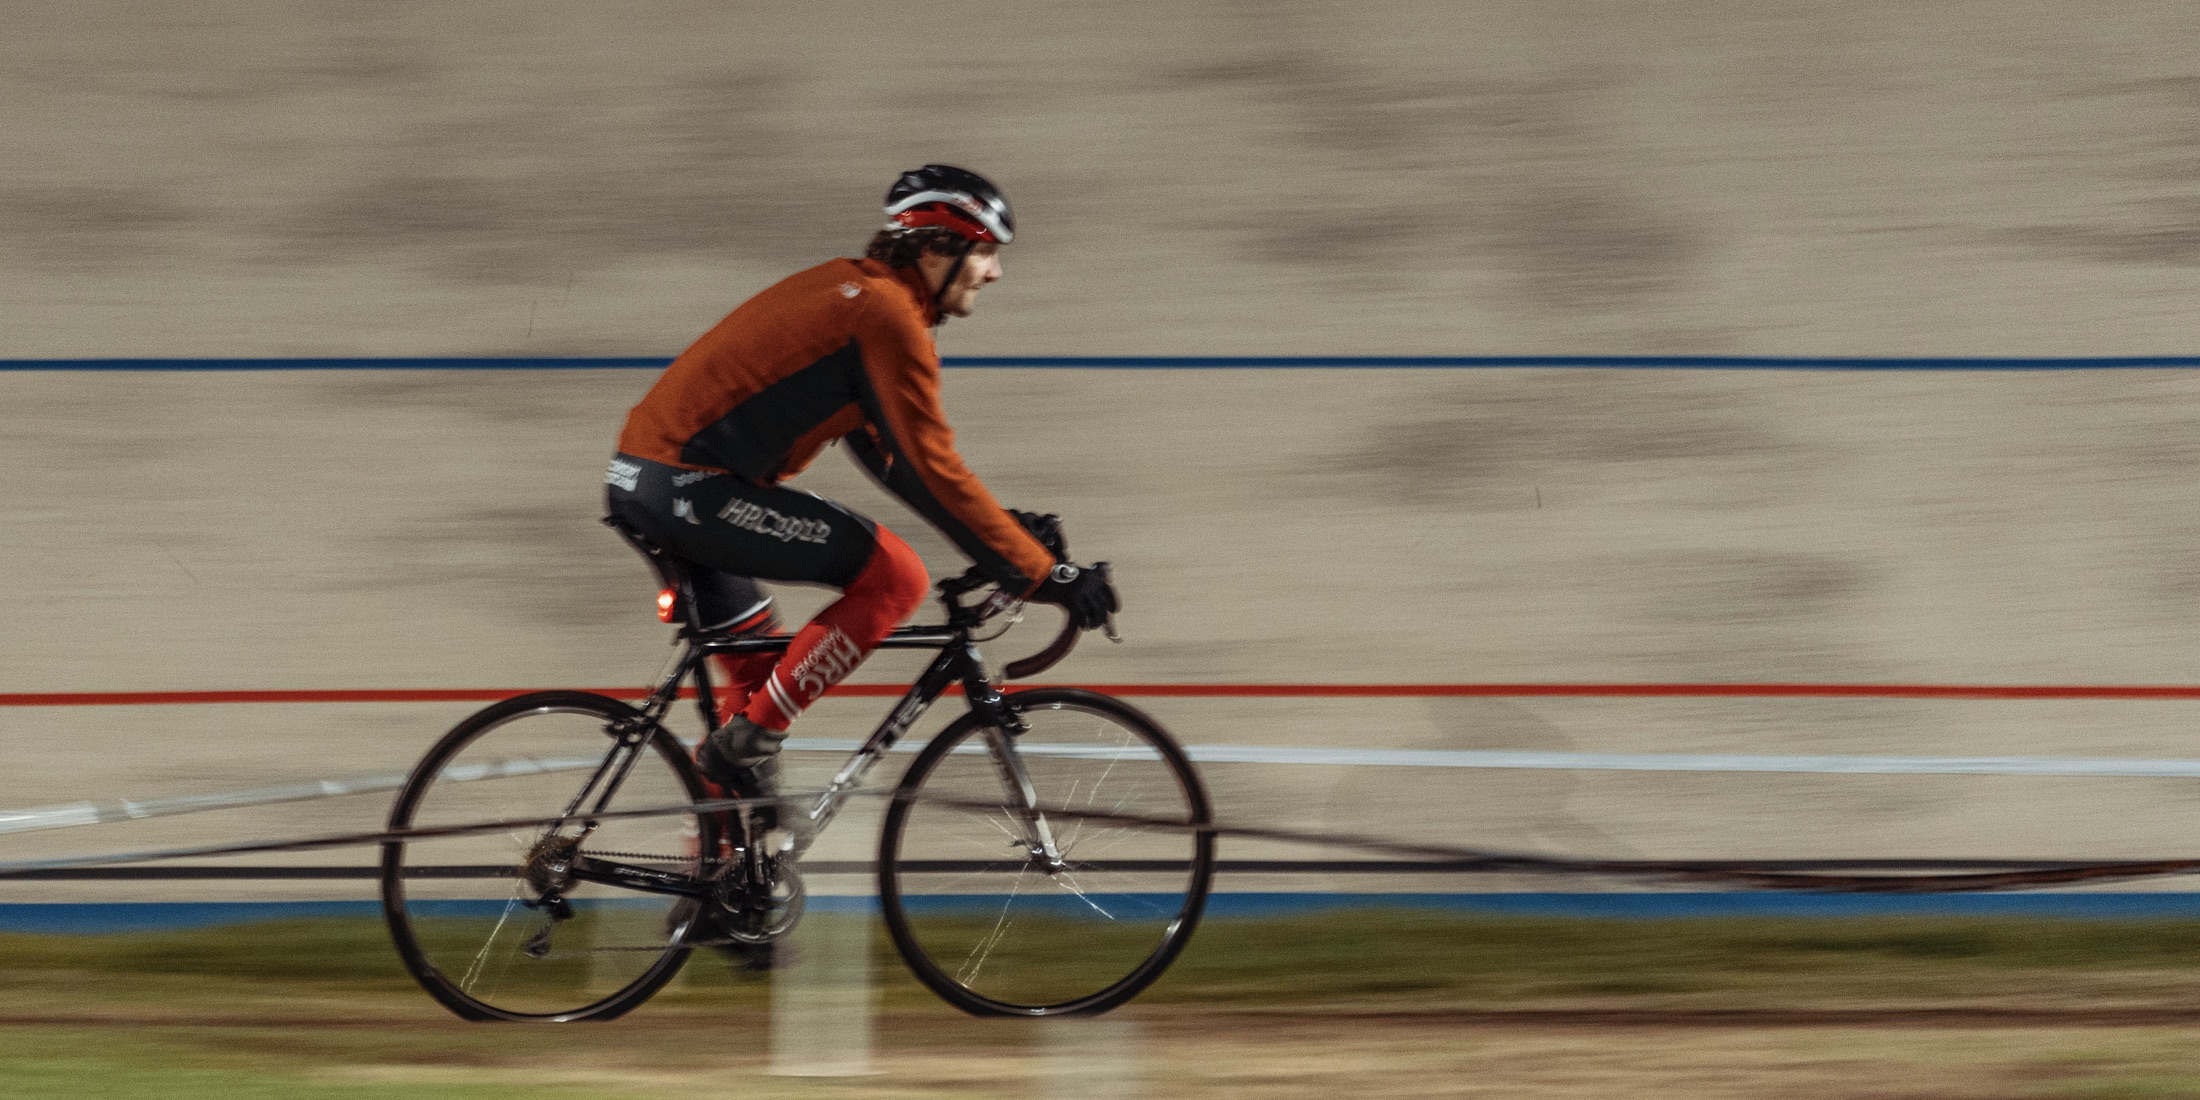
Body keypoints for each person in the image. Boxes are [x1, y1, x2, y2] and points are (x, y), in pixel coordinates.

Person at [604, 164, 1119, 813]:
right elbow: (929, 464)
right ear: (937, 249)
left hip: (650, 482)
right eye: (984, 252)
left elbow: (890, 455)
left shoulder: (860, 290)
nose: (994, 273)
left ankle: (723, 880)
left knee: (760, 678)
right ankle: (745, 753)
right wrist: (1042, 574)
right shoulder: (887, 316)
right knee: (895, 578)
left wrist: (1005, 540)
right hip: (690, 489)